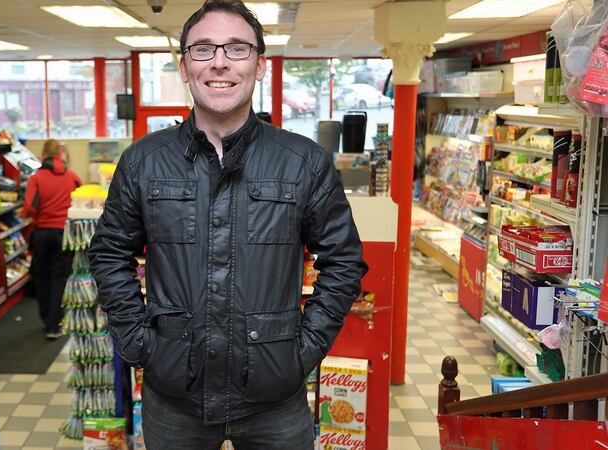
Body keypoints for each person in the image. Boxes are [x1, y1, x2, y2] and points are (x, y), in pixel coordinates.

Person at [88, 1, 367, 447]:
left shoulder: (303, 163)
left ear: (260, 65)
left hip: (276, 401)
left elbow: (344, 263)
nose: (219, 62)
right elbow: (109, 254)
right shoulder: (143, 162)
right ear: (184, 66)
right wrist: (141, 345)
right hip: (174, 398)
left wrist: (303, 352)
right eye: (203, 49)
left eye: (237, 49)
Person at [22, 139, 82, 340]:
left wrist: (25, 214)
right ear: (61, 154)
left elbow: (30, 206)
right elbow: (80, 199)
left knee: (41, 275)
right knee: (60, 276)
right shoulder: (72, 176)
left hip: (42, 233)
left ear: (43, 153)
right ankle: (55, 322)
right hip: (65, 232)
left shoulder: (36, 178)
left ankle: (46, 316)